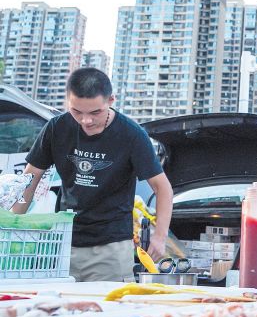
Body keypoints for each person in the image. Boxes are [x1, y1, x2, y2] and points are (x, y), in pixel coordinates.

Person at [12, 68, 173, 281]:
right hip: (62, 243)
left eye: (95, 112)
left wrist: (160, 237)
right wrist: (12, 224)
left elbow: (163, 188)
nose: (86, 121)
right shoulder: (57, 127)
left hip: (111, 248)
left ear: (111, 100)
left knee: (108, 312)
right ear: (67, 101)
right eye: (77, 111)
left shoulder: (132, 135)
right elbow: (30, 179)